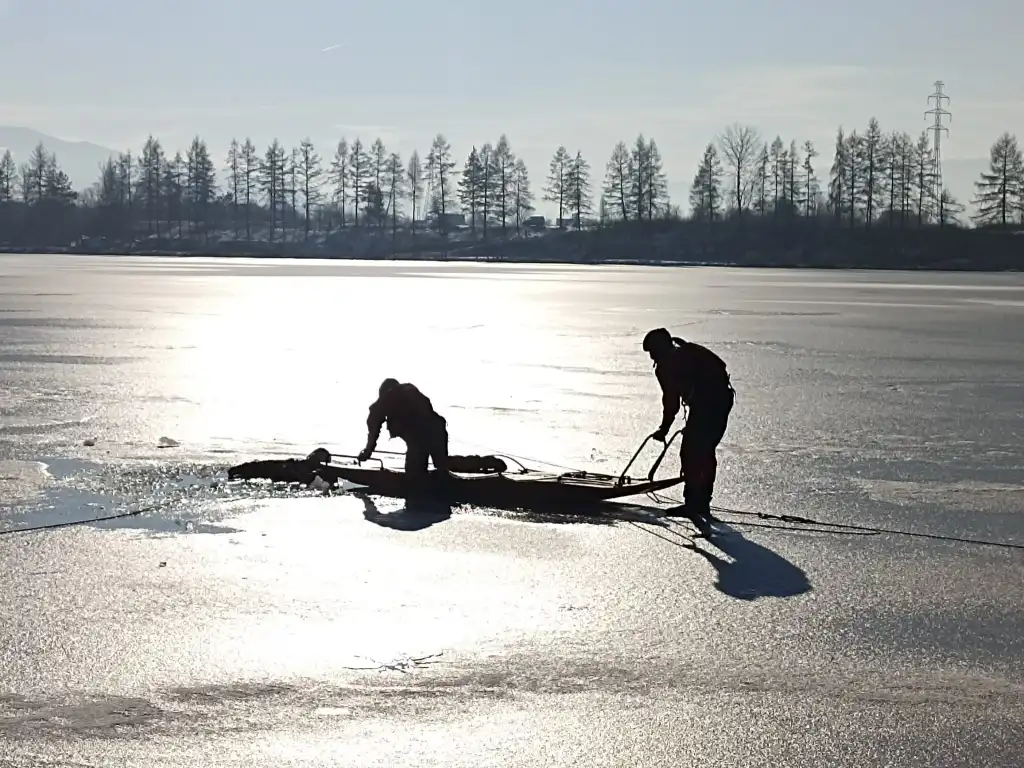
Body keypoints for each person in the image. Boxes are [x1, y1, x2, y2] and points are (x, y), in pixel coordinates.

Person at [642, 328, 735, 518]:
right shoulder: (685, 350)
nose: (652, 356)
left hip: (708, 407)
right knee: (705, 452)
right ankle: (701, 502)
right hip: (722, 400)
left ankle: (694, 503)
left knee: (691, 453)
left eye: (652, 352)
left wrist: (664, 428)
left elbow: (671, 400)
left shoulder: (668, 365)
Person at [357, 378, 450, 477]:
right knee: (441, 469)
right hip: (438, 430)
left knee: (414, 474)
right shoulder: (411, 390)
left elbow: (373, 427)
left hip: (420, 437)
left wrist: (367, 451)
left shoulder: (384, 401)